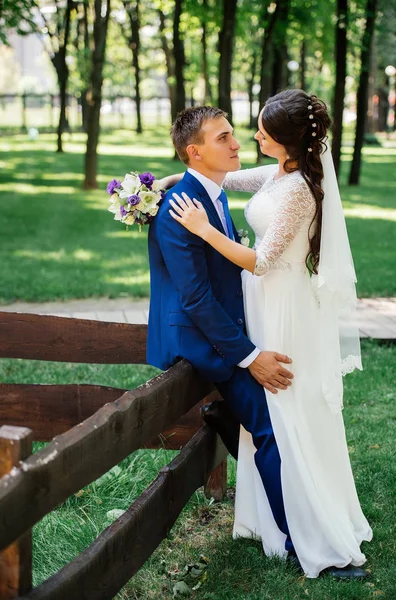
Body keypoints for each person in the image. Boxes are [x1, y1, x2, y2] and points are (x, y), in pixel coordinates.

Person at [167, 90, 372, 579]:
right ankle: (272, 520)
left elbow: (260, 261)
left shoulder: (300, 187)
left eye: (260, 131)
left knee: (285, 407)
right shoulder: (278, 171)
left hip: (283, 304)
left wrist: (203, 229)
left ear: (285, 141)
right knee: (271, 410)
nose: (251, 137)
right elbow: (230, 179)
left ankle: (314, 522)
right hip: (261, 304)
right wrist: (169, 181)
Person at [147, 105, 297, 565]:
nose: (237, 144)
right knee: (270, 427)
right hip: (200, 339)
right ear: (194, 152)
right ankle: (296, 542)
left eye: (234, 135)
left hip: (224, 329)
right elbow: (195, 299)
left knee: (270, 418)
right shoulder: (180, 207)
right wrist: (250, 357)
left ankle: (220, 414)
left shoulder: (211, 192)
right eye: (224, 138)